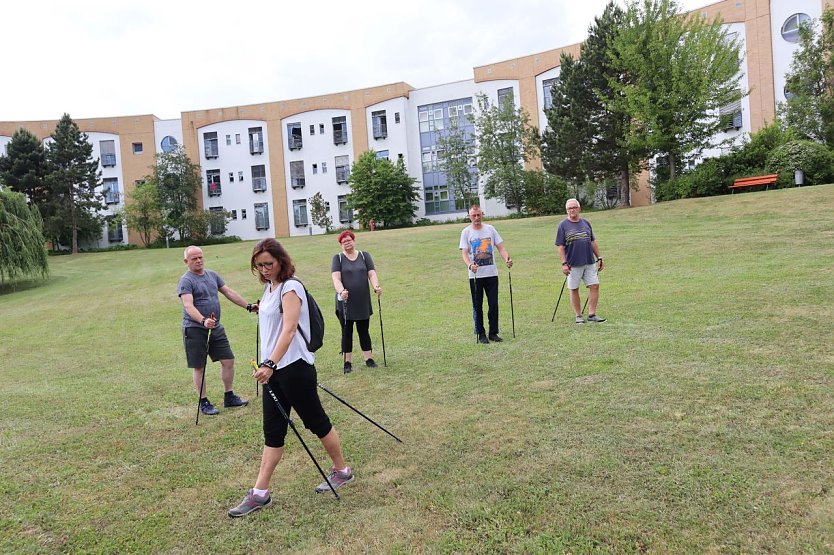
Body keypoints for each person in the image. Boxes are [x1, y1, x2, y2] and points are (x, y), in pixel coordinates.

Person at [228, 238, 354, 518]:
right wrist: (267, 364)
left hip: (294, 368)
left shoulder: (290, 287)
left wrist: (270, 363)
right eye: (259, 266)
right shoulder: (269, 288)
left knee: (317, 423)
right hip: (272, 372)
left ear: (281, 261)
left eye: (269, 264)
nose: (264, 270)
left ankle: (342, 470)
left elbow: (289, 329)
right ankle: (260, 493)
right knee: (273, 432)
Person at [178, 245, 251, 415]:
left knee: (228, 360)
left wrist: (248, 306)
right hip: (195, 328)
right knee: (199, 366)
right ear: (186, 262)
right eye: (194, 258)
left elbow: (228, 292)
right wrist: (203, 320)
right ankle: (203, 402)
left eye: (200, 257)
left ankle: (229, 396)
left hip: (216, 326)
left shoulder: (212, 275)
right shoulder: (186, 280)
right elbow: (188, 305)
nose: (199, 261)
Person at [459, 205, 513, 344]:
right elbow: (464, 253)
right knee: (477, 305)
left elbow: (501, 248)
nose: (476, 218)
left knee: (493, 304)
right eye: (474, 215)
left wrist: (507, 259)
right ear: (469, 216)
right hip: (475, 275)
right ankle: (481, 333)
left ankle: (493, 333)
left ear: (482, 214)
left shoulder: (490, 229)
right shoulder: (466, 232)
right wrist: (470, 265)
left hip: (491, 274)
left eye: (478, 215)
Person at [330, 230, 382, 374]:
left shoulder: (365, 256)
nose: (347, 243)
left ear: (354, 240)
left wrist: (376, 286)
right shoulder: (338, 258)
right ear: (341, 244)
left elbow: (371, 273)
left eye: (349, 240)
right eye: (343, 241)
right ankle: (347, 362)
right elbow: (336, 278)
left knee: (364, 330)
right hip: (345, 302)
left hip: (362, 300)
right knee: (347, 332)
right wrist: (341, 291)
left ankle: (369, 359)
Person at [555, 198, 606, 324]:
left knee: (594, 286)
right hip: (573, 263)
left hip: (589, 261)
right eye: (569, 208)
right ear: (566, 211)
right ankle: (578, 316)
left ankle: (592, 315)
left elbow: (592, 241)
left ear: (579, 209)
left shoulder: (586, 223)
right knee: (574, 289)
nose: (572, 210)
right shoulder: (563, 225)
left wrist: (599, 257)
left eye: (574, 207)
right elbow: (560, 246)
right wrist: (564, 263)